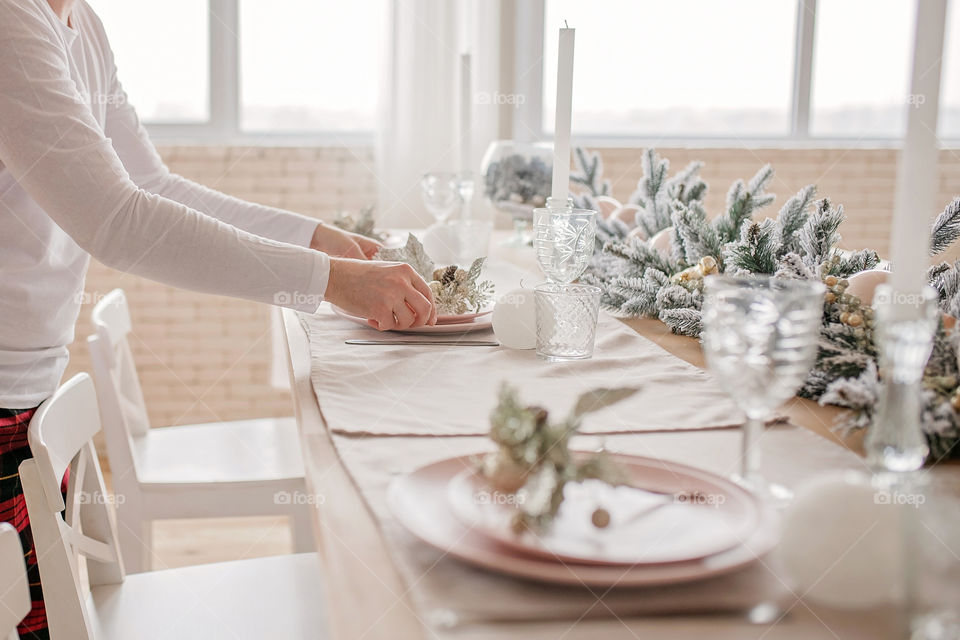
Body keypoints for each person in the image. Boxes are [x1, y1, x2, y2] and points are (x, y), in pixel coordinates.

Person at [0, 0, 437, 636]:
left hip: (28, 387)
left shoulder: (82, 23)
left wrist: (314, 239)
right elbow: (118, 221)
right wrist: (328, 280)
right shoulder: (12, 22)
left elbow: (154, 186)